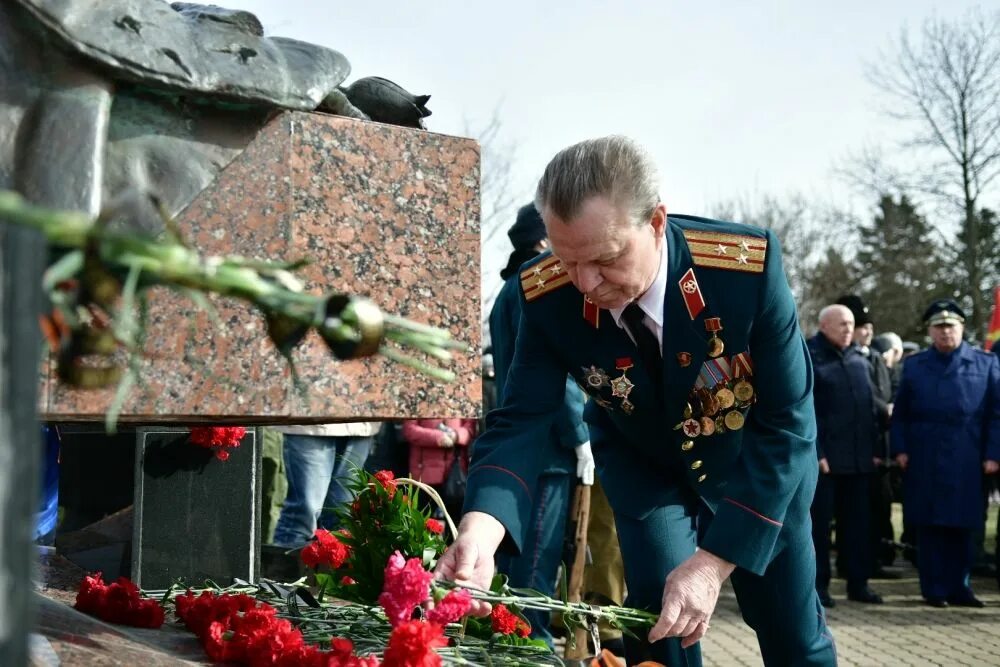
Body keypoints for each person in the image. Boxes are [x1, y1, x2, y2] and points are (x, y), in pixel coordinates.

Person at [436, 136, 834, 666]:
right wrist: (481, 531)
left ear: (655, 222)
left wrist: (713, 564)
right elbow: (520, 421)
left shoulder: (744, 271)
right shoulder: (547, 295)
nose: (585, 283)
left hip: (755, 472)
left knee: (793, 635)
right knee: (660, 627)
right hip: (644, 467)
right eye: (567, 259)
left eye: (604, 258)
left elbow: (788, 428)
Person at [488, 202, 601, 649]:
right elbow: (559, 374)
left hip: (525, 444)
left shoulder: (506, 291)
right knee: (538, 558)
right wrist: (580, 437)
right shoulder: (539, 285)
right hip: (549, 449)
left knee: (520, 558)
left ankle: (514, 640)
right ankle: (530, 646)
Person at [891, 299, 1000, 607]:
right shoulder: (915, 365)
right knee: (930, 524)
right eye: (939, 327)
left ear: (962, 328)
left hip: (968, 454)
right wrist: (900, 448)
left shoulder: (986, 363)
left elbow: (996, 413)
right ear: (930, 332)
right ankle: (934, 588)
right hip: (926, 453)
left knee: (964, 524)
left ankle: (960, 587)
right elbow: (901, 414)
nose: (945, 332)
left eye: (950, 326)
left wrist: (994, 453)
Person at [808, 304, 883, 607]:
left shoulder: (860, 359)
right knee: (819, 530)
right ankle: (819, 587)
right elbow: (805, 411)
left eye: (851, 324)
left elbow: (870, 409)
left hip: (859, 460)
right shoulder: (811, 356)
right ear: (824, 325)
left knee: (857, 526)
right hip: (825, 462)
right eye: (842, 324)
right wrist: (817, 452)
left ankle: (858, 583)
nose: (849, 329)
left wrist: (876, 451)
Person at [272, 423, 378, 548]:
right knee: (303, 516)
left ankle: (325, 567)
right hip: (310, 422)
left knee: (343, 521)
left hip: (360, 424)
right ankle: (286, 567)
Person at [402, 418, 476, 522]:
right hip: (424, 474)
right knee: (419, 521)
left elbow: (470, 427)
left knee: (456, 524)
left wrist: (456, 435)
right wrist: (438, 437)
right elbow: (409, 429)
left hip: (456, 474)